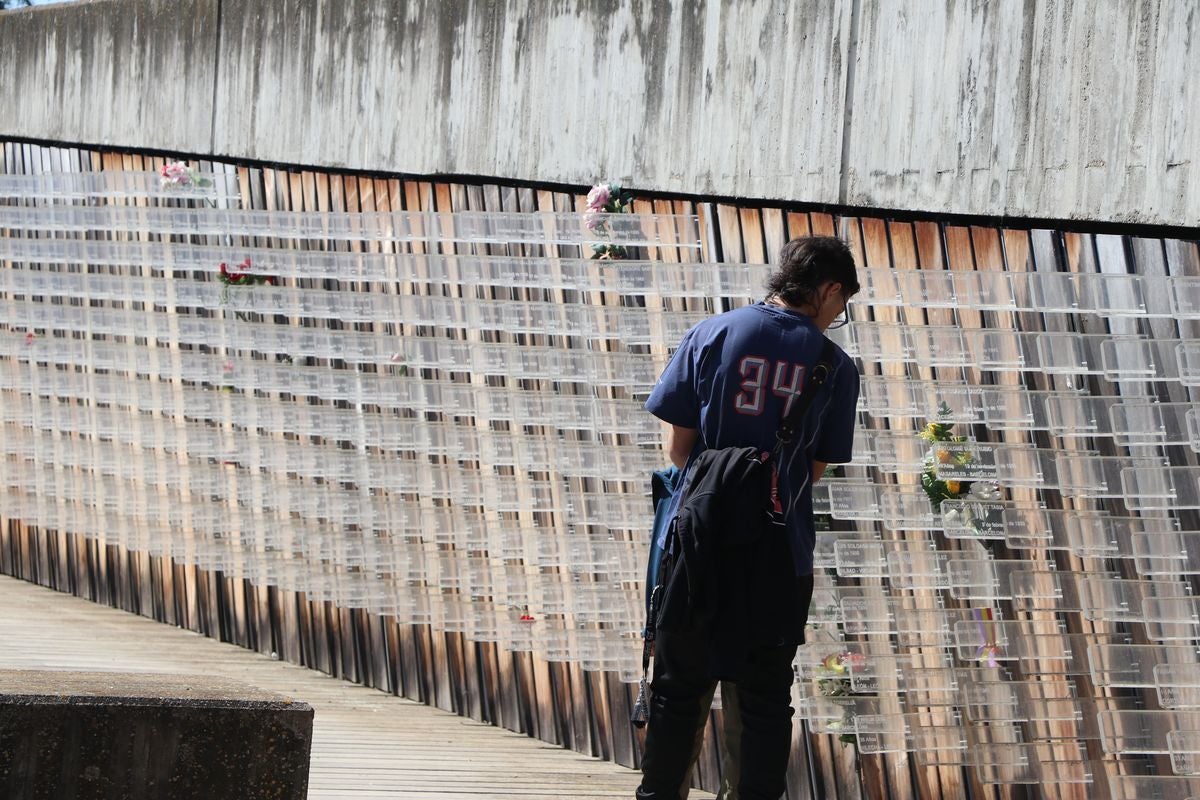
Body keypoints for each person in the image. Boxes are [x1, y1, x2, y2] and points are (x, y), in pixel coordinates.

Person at [636, 235, 861, 800]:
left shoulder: (712, 333)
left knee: (678, 688)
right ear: (830, 289)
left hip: (697, 542)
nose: (838, 316)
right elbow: (810, 472)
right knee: (763, 698)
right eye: (843, 303)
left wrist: (721, 489)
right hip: (780, 553)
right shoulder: (834, 366)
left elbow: (677, 448)